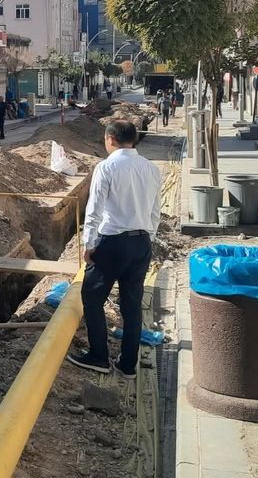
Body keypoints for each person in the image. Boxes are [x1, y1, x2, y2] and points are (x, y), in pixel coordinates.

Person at [67, 120, 162, 377]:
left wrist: (89, 244)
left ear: (110, 139)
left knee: (92, 298)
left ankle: (99, 356)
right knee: (132, 305)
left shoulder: (106, 167)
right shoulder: (151, 169)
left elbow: (94, 210)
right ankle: (128, 364)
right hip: (141, 243)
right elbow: (155, 211)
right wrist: (147, 239)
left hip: (112, 243)